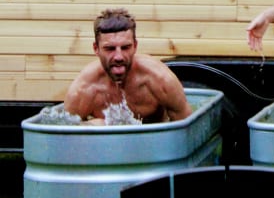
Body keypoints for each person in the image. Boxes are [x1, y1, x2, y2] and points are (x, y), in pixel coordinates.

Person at [63, 8, 192, 123]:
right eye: (110, 49)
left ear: (135, 46)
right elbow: (63, 138)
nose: (118, 57)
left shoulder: (159, 79)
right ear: (96, 49)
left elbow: (187, 130)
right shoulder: (83, 89)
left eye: (125, 47)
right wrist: (95, 126)